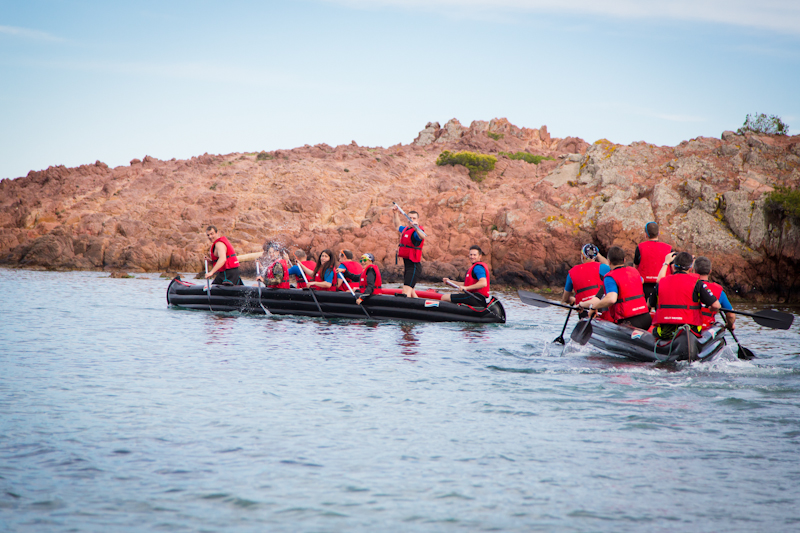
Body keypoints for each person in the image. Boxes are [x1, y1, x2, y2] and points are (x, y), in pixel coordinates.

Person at [650, 251, 721, 339]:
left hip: (666, 332)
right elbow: (716, 305)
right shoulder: (697, 283)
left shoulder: (661, 283)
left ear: (673, 266)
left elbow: (650, 304)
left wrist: (666, 262)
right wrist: (711, 308)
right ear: (690, 268)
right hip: (690, 332)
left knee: (652, 330)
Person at [579, 246, 651, 330]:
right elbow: (641, 281)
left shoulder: (610, 277)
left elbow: (611, 299)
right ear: (624, 260)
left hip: (630, 322)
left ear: (609, 262)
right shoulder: (634, 271)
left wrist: (593, 307)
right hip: (646, 318)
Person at [561, 244, 610, 314]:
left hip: (583, 311)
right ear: (595, 256)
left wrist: (571, 299)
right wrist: (598, 255)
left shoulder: (571, 273)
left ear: (582, 256)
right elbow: (610, 266)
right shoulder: (603, 268)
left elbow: (565, 298)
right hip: (599, 310)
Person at [694, 256, 735, 330]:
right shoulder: (719, 291)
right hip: (707, 327)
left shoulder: (689, 287)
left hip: (691, 327)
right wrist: (730, 325)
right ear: (710, 271)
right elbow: (731, 315)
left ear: (694, 271)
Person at [635, 221, 672, 301]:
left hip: (645, 285)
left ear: (646, 234)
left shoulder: (640, 247)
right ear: (658, 233)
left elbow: (636, 267)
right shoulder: (668, 248)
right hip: (663, 285)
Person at [392, 205, 424, 298]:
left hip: (414, 267)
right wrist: (395, 213)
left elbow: (422, 236)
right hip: (408, 266)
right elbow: (397, 226)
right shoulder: (406, 229)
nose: (412, 220)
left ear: (418, 220)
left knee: (405, 292)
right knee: (412, 292)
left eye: (414, 218)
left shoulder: (416, 233)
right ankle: (421, 310)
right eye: (410, 218)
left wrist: (416, 228)